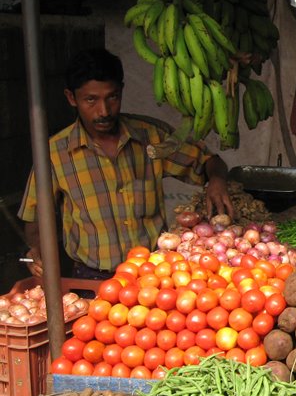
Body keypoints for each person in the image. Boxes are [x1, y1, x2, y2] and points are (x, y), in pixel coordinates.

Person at [19, 48, 234, 280]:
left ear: (121, 91)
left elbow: (210, 161)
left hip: (153, 275)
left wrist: (218, 180)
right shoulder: (54, 153)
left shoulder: (151, 137)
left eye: (112, 97)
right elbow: (35, 218)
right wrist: (36, 250)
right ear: (72, 98)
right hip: (92, 278)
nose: (103, 111)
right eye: (91, 100)